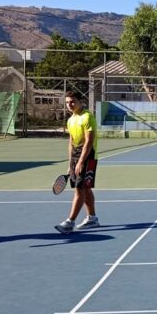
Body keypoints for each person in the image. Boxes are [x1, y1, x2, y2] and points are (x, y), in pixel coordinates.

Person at [54, 91, 99, 234]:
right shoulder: (71, 120)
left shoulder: (87, 117)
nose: (70, 105)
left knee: (79, 190)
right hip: (75, 158)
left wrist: (80, 162)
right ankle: (92, 218)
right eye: (67, 102)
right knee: (86, 189)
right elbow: (71, 143)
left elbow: (89, 142)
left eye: (73, 101)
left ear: (80, 101)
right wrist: (71, 164)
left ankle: (69, 222)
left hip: (88, 157)